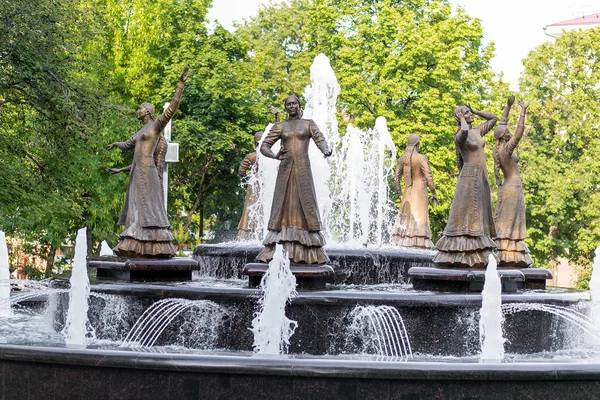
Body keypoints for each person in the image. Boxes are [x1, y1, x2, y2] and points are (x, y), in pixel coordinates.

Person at [106, 66, 189, 258]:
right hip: (137, 172)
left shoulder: (156, 126)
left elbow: (171, 110)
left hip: (149, 171)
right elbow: (128, 145)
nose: (138, 110)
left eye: (140, 108)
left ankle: (154, 240)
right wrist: (117, 152)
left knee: (149, 205)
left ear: (148, 111)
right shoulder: (140, 131)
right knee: (136, 207)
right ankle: (136, 240)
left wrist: (180, 85)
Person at [257, 95, 332, 264]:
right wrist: (275, 156)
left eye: (294, 103)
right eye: (288, 104)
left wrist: (325, 149)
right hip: (285, 170)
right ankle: (279, 242)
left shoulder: (308, 123)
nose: (292, 106)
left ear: (299, 106)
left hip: (303, 169)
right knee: (284, 203)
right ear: (286, 108)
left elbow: (320, 138)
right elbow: (264, 146)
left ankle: (308, 245)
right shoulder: (280, 126)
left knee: (305, 200)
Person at [433, 104, 498, 268]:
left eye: (470, 112)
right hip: (468, 178)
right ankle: (462, 253)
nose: (471, 115)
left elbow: (493, 119)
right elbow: (462, 132)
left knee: (480, 214)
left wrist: (476, 111)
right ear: (460, 117)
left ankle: (480, 250)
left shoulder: (477, 131)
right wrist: (461, 119)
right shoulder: (459, 136)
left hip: (481, 176)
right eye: (467, 113)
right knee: (468, 213)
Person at [493, 98, 533, 267]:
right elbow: (519, 132)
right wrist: (522, 111)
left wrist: (508, 106)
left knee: (507, 218)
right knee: (510, 220)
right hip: (513, 187)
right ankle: (509, 254)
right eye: (507, 132)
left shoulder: (499, 150)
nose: (509, 133)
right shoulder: (507, 151)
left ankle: (506, 251)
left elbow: (502, 123)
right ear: (504, 136)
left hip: (510, 186)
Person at [391, 133, 438, 249]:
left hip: (408, 192)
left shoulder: (402, 159)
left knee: (405, 221)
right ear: (418, 144)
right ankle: (419, 244)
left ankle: (405, 244)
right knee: (419, 220)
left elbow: (396, 177)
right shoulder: (422, 158)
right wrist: (433, 192)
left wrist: (400, 194)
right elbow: (429, 176)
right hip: (420, 192)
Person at [237, 131, 263, 240]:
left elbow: (241, 171)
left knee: (249, 209)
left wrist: (250, 177)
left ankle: (245, 234)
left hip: (254, 185)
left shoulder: (251, 156)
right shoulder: (271, 156)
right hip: (266, 185)